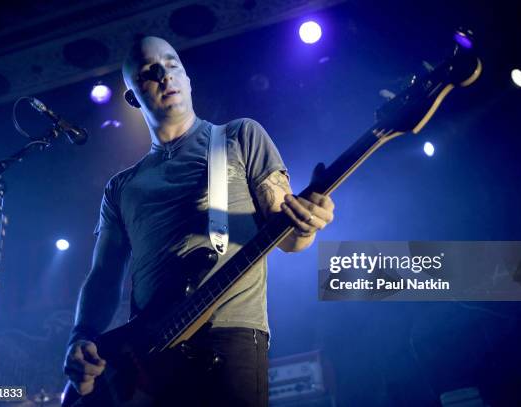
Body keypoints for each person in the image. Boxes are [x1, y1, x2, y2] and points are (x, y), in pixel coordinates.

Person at [63, 35, 335, 406]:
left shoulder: (239, 137)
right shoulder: (121, 187)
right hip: (145, 353)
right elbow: (104, 275)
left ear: (188, 78)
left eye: (173, 65)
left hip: (229, 338)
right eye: (150, 72)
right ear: (132, 96)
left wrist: (306, 224)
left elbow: (287, 237)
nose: (165, 76)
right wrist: (82, 335)